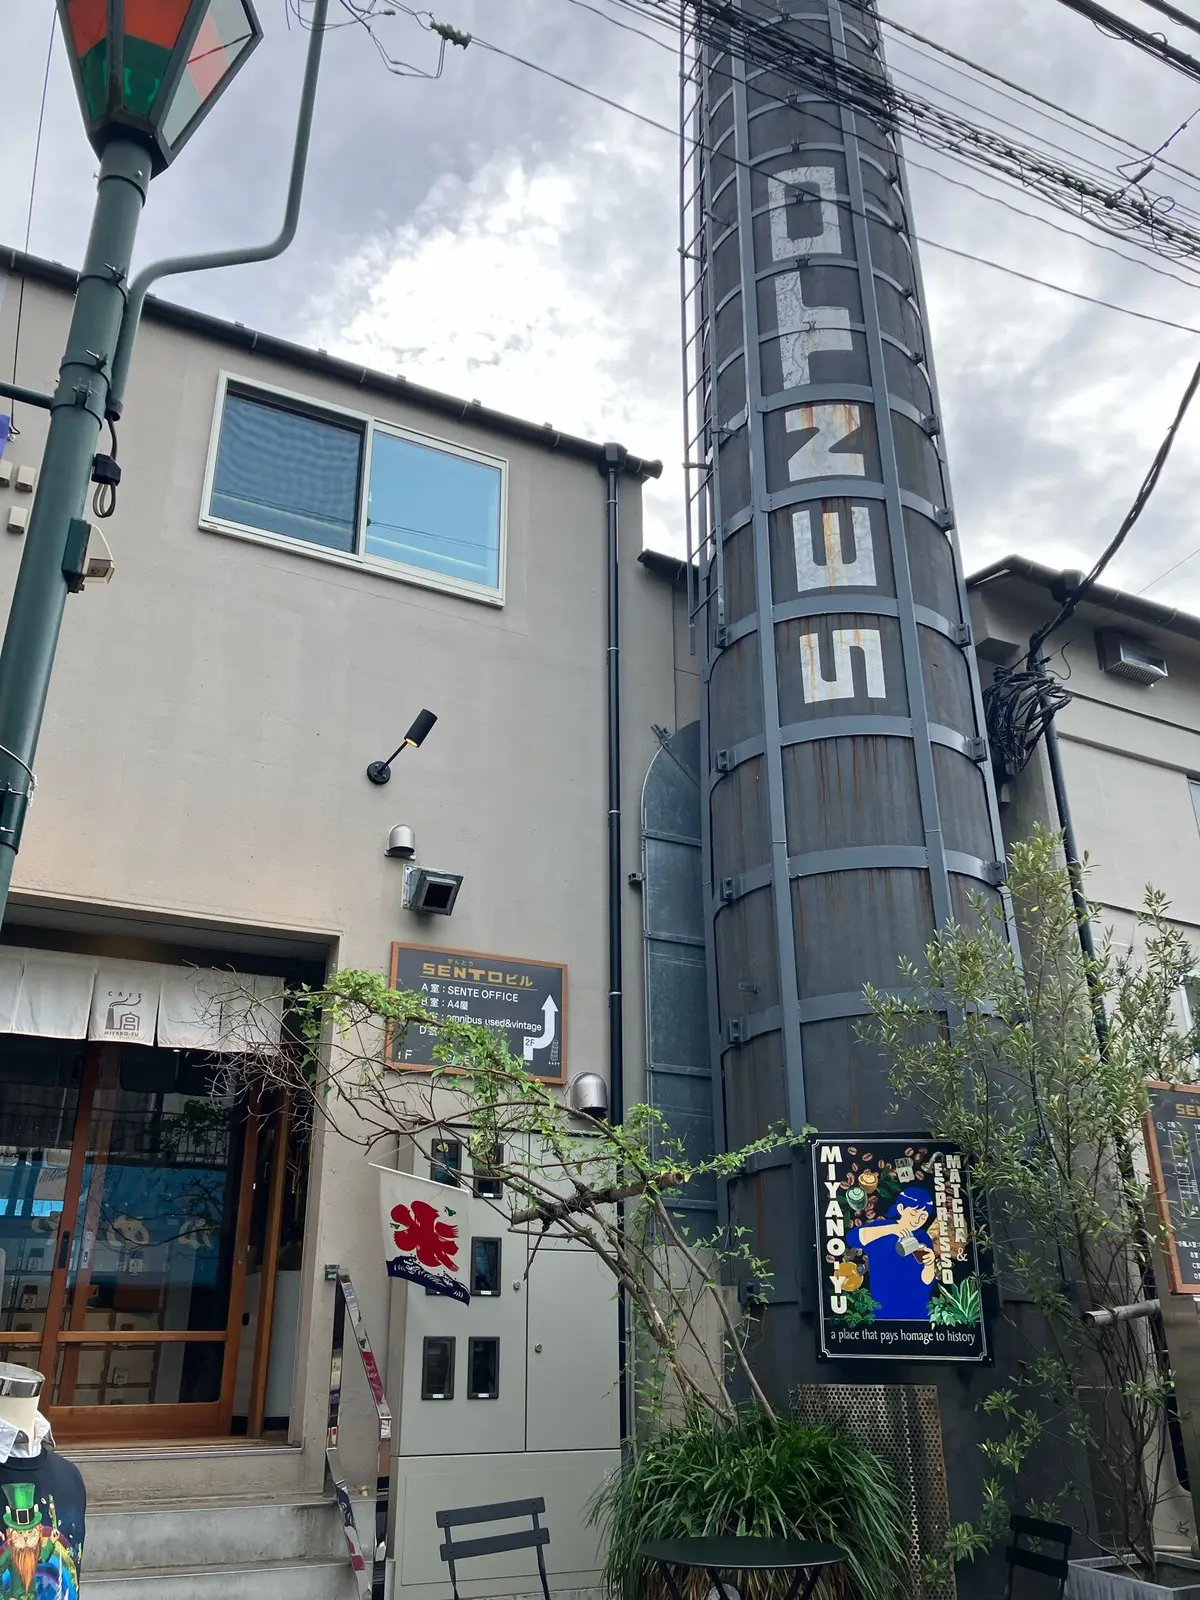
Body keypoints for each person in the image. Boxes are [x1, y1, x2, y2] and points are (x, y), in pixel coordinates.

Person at [846, 1186, 937, 1320]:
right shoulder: (881, 1228)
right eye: (913, 1213)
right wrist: (893, 1229)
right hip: (885, 1306)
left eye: (923, 1216)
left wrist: (930, 1264)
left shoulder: (923, 1238)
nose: (917, 1220)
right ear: (901, 1209)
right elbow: (852, 1238)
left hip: (917, 1309)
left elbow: (927, 1283)